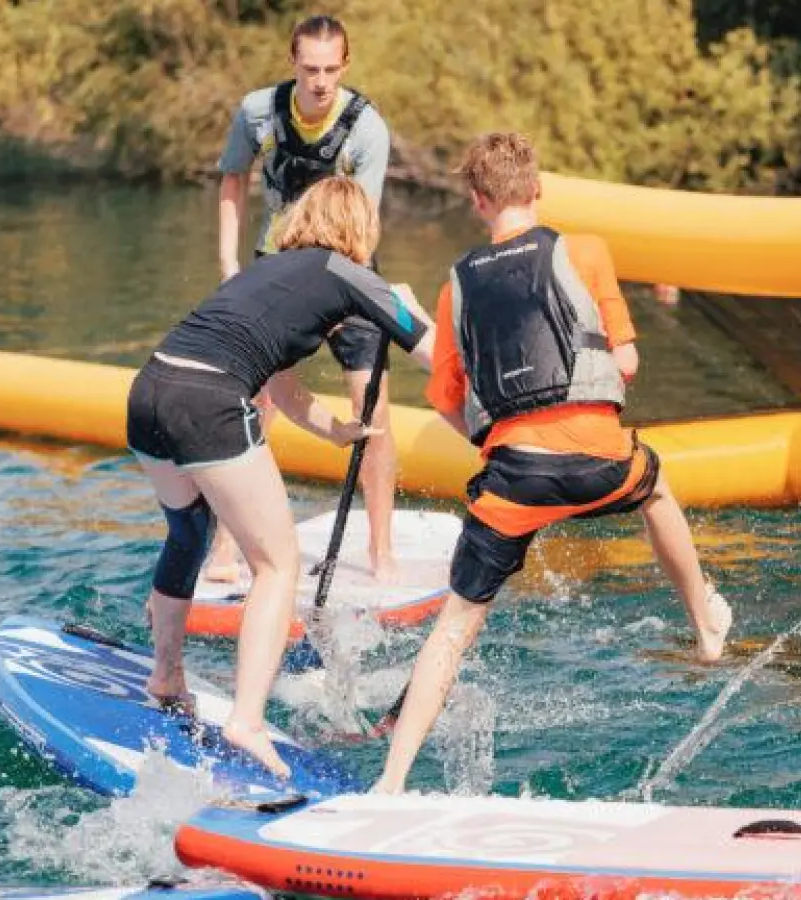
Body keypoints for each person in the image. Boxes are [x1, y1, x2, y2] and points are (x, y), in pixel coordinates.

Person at [369, 132, 733, 795]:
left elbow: (447, 402)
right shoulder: (586, 251)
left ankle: (390, 783)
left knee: (453, 628)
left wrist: (502, 443)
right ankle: (706, 629)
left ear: (478, 201)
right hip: (601, 462)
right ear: (537, 190)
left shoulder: (455, 286)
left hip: (513, 481)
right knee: (655, 490)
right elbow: (626, 362)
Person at [127, 177, 434, 778]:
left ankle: (165, 678)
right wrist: (412, 306)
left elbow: (283, 390)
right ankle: (246, 721)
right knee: (277, 565)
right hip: (209, 402)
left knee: (187, 534)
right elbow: (433, 352)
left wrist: (336, 430)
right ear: (359, 229)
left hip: (150, 392)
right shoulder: (347, 272)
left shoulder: (265, 272)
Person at [209, 14, 405, 584]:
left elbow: (362, 226)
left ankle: (381, 552)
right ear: (292, 61)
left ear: (345, 65)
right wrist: (229, 265)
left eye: (330, 70)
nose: (320, 81)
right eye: (310, 68)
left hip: (349, 270)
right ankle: (225, 550)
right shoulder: (257, 113)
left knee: (372, 409)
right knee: (255, 405)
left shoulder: (367, 129)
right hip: (275, 266)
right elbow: (231, 181)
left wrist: (339, 295)